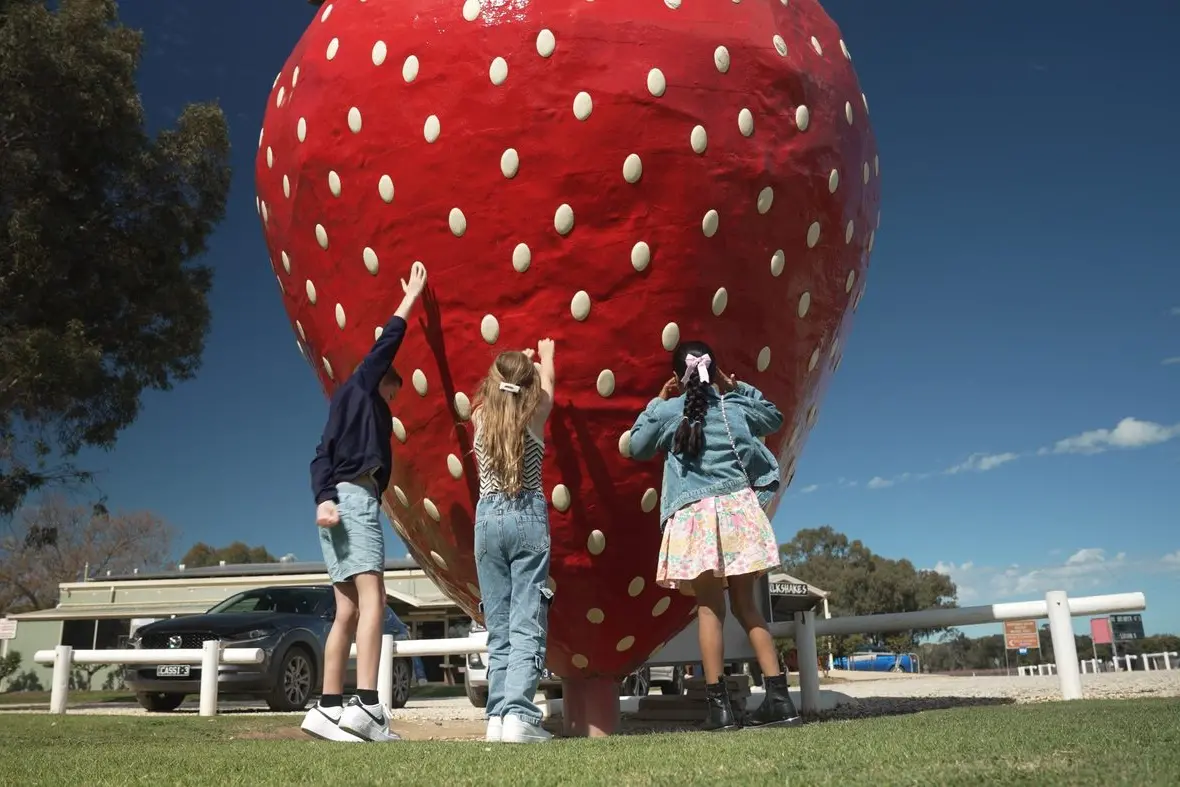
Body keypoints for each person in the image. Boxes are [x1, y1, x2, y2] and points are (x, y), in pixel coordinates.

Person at [629, 340, 801, 731]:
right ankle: (779, 699)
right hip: (738, 513)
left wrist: (656, 402)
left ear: (677, 377)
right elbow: (773, 417)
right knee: (747, 607)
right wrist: (736, 386)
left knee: (710, 611)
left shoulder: (669, 413)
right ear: (715, 372)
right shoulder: (735, 406)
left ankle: (719, 710)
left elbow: (636, 446)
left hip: (697, 520)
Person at [300, 261, 427, 743]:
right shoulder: (364, 385)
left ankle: (328, 708)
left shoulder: (338, 406)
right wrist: (410, 297)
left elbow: (319, 457)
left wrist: (322, 499)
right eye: (393, 391)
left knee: (346, 610)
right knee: (374, 600)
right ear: (384, 380)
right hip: (355, 500)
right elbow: (387, 341)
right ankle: (369, 707)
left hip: (333, 508)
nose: (393, 399)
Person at [472, 339, 557, 744]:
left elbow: (506, 392)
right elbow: (548, 388)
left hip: (486, 518)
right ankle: (519, 716)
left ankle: (497, 716)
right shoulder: (536, 412)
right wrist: (544, 358)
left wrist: (516, 369)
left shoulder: (477, 418)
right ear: (528, 387)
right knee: (526, 623)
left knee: (499, 626)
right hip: (527, 515)